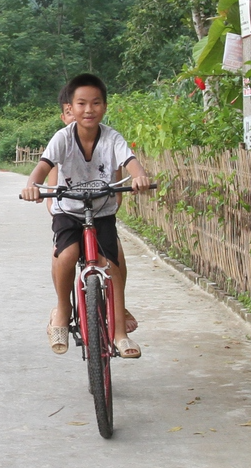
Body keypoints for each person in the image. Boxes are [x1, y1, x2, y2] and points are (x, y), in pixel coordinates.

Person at [19, 72, 153, 358]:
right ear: (71, 107)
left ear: (104, 106)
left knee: (113, 262)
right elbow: (43, 165)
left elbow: (129, 161)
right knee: (66, 255)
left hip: (102, 210)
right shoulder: (63, 137)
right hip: (69, 208)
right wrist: (32, 184)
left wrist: (139, 176)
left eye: (95, 103)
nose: (88, 110)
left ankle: (119, 334)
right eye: (81, 103)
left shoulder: (112, 138)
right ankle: (62, 311)